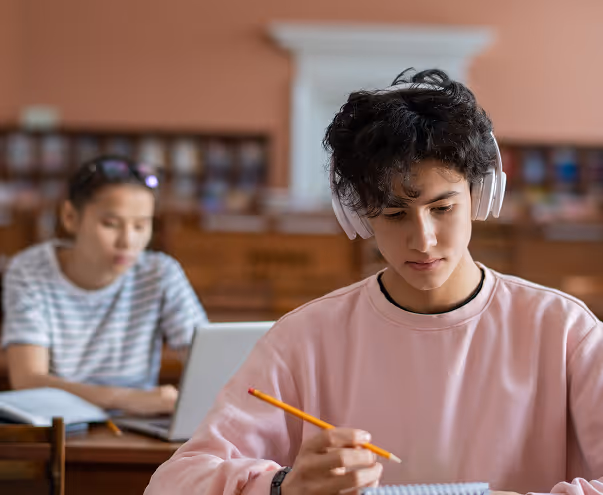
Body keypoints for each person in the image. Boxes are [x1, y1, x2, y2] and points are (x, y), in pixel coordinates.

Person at [145, 69, 603, 495]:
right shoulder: (305, 338)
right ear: (358, 216)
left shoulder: (565, 331)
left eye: (443, 209)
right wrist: (282, 486)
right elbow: (173, 482)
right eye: (394, 214)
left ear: (480, 195)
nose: (423, 240)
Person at [2, 155, 208, 416]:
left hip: (138, 425)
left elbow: (205, 360)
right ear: (69, 217)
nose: (128, 241)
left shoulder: (160, 273)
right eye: (110, 224)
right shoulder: (29, 271)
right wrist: (127, 398)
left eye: (141, 225)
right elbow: (28, 380)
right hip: (61, 426)